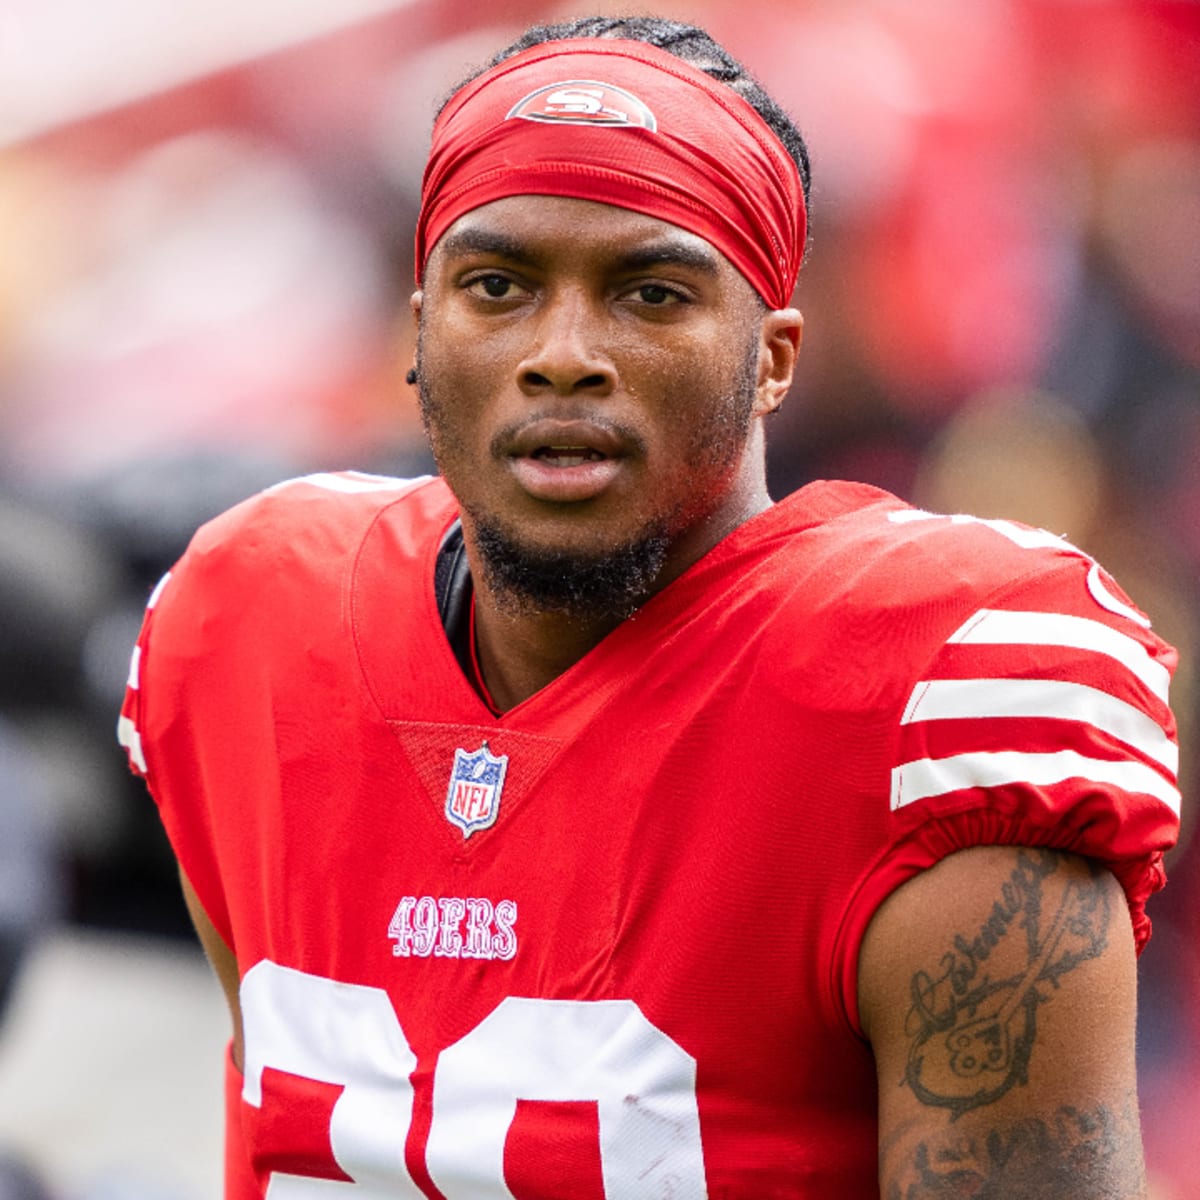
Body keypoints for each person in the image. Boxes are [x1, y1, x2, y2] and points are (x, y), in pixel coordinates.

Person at [117, 15, 1182, 1198]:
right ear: (420, 329)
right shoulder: (251, 616)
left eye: (651, 292)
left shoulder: (941, 683)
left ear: (773, 358)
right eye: (497, 285)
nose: (563, 352)